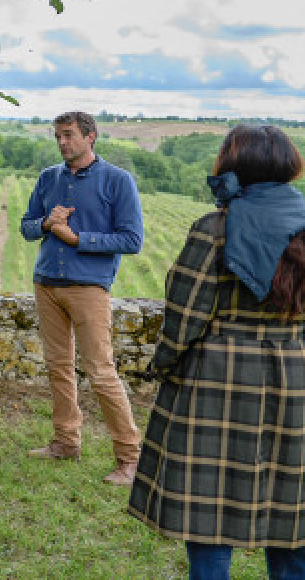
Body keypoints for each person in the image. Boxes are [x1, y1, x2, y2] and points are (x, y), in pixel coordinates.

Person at [128, 124, 305, 580]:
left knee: (207, 507)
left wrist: (163, 365)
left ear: (234, 164)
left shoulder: (215, 229)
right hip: (296, 376)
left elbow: (184, 316)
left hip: (217, 378)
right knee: (293, 508)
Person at [19, 111, 143, 485]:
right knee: (58, 367)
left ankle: (130, 459)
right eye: (57, 135)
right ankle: (65, 443)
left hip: (89, 288)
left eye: (69, 135)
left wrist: (78, 239)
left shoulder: (118, 180)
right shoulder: (48, 178)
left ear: (90, 137)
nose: (61, 142)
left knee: (101, 372)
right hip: (46, 284)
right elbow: (26, 227)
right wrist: (46, 223)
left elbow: (132, 240)